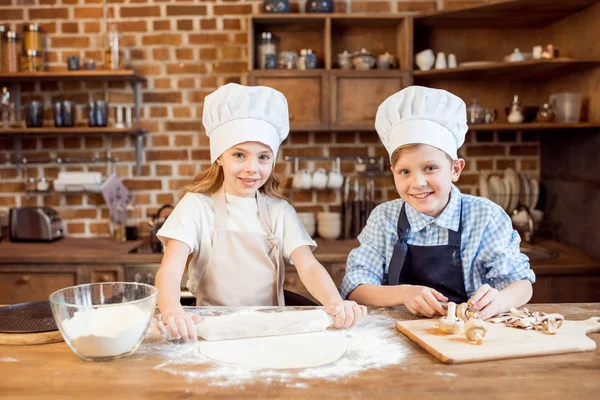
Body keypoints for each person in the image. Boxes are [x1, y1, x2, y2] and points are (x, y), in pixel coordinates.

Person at [156, 83, 366, 340]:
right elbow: (170, 269)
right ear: (219, 157)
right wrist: (172, 312)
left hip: (269, 332)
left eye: (263, 157)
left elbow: (308, 266)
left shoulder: (280, 212)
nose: (252, 168)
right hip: (211, 331)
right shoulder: (196, 206)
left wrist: (335, 302)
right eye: (239, 155)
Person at [341, 86, 535, 320]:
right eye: (404, 171)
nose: (418, 182)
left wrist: (500, 300)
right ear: (392, 172)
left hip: (468, 335)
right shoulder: (384, 218)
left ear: (455, 169)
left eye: (430, 168)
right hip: (398, 335)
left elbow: (522, 285)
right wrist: (404, 294)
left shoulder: (485, 217)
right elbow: (356, 287)